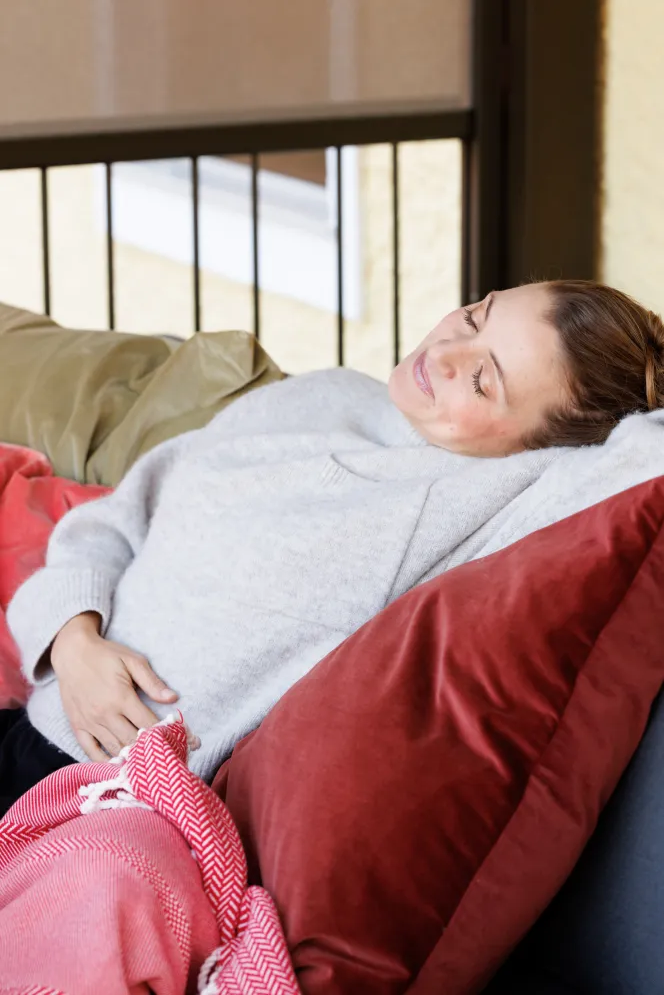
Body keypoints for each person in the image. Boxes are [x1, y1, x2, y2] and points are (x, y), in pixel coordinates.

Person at [2, 279, 663, 815]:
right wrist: (73, 642)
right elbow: (115, 520)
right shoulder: (324, 393)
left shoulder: (493, 501)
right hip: (39, 709)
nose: (448, 354)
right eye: (475, 315)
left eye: (483, 381)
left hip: (100, 808)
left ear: (548, 449)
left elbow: (642, 459)